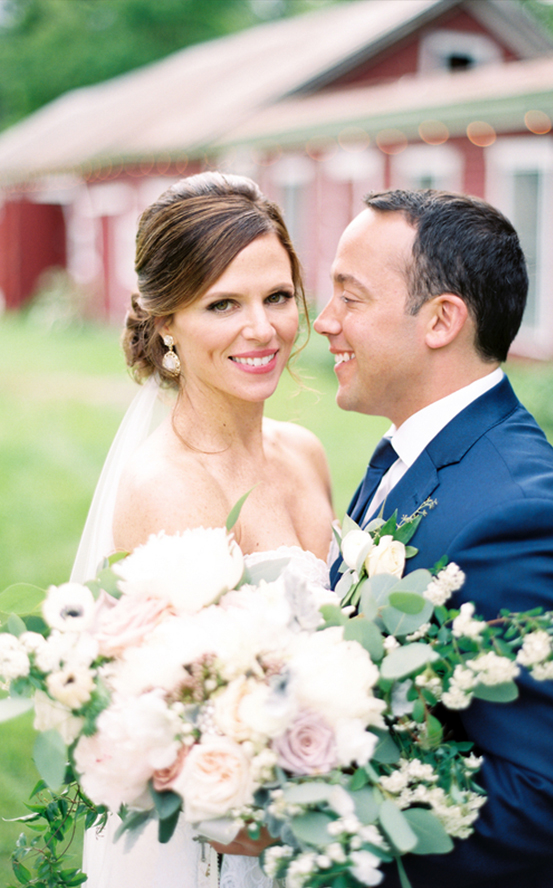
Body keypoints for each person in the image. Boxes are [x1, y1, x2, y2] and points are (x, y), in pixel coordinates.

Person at [316, 189, 553, 888]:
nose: (324, 322)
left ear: (441, 320)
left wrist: (321, 826)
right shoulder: (416, 450)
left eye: (350, 298)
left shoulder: (522, 519)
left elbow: (551, 795)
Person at [74, 171, 334, 888]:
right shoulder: (167, 488)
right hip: (226, 850)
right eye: (223, 304)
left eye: (278, 297)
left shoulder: (304, 454)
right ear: (165, 323)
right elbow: (192, 745)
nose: (263, 329)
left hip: (323, 822)